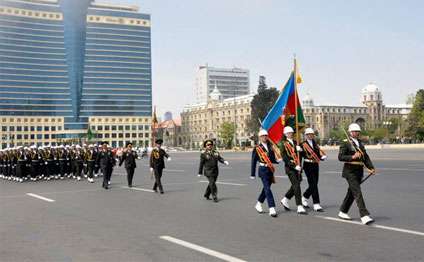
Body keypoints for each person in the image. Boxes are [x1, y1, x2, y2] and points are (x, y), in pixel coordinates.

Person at [338, 123, 376, 225]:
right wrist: (352, 157)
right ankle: (364, 215)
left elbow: (365, 157)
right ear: (350, 132)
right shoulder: (346, 142)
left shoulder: (360, 143)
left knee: (352, 192)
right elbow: (340, 157)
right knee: (357, 192)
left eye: (357, 131)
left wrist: (371, 167)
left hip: (359, 171)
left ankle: (343, 211)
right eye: (354, 131)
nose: (356, 133)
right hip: (350, 171)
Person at [250, 129, 281, 217]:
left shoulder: (270, 146)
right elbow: (253, 161)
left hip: (270, 170)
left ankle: (259, 203)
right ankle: (272, 207)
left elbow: (271, 159)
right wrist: (252, 174)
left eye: (265, 136)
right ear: (260, 137)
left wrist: (277, 161)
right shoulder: (257, 148)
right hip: (263, 169)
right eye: (263, 136)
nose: (264, 137)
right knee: (267, 189)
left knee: (266, 189)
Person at [280, 126, 307, 215]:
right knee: (296, 185)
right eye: (288, 133)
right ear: (285, 134)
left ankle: (286, 199)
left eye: (291, 133)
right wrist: (293, 166)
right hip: (290, 168)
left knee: (297, 184)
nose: (290, 134)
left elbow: (302, 155)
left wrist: (301, 150)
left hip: (298, 167)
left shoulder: (296, 142)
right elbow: (285, 158)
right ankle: (299, 206)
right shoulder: (283, 144)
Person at [300, 128, 327, 212]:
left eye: (312, 134)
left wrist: (321, 157)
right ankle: (316, 203)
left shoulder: (315, 143)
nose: (310, 135)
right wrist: (299, 166)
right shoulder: (302, 144)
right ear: (306, 135)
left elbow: (317, 154)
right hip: (308, 165)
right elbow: (300, 156)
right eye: (308, 134)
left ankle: (304, 197)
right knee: (313, 184)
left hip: (315, 164)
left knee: (315, 183)